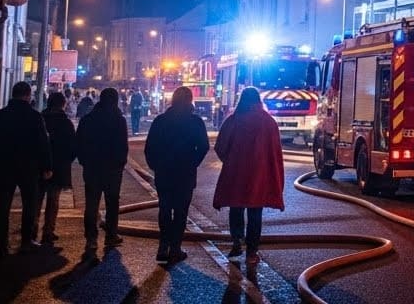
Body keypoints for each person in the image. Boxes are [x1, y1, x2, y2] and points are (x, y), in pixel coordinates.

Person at [212, 87, 284, 264]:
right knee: (255, 211)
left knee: (236, 207)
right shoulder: (269, 122)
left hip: (236, 172)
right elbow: (275, 152)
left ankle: (237, 241)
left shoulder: (233, 120)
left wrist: (230, 161)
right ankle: (252, 252)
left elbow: (220, 146)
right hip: (259, 175)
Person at [0, 82, 53, 260]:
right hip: (29, 167)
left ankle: (2, 245)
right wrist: (46, 166)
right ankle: (26, 242)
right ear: (28, 95)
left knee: (3, 205)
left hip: (5, 165)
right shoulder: (34, 116)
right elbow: (43, 144)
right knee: (29, 204)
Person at [143, 86, 210, 264]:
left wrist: (155, 165)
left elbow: (150, 147)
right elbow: (203, 146)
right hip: (185, 173)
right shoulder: (195, 122)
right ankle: (175, 248)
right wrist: (192, 163)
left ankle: (163, 246)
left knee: (164, 209)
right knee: (181, 212)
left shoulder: (161, 120)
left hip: (164, 172)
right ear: (190, 100)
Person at [76, 87, 129, 251]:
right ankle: (111, 236)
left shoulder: (88, 119)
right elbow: (123, 145)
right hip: (113, 168)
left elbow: (79, 143)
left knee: (92, 204)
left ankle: (91, 239)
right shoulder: (119, 120)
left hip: (92, 167)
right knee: (112, 203)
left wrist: (84, 161)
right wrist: (120, 163)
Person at [38, 91, 78, 245]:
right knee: (53, 201)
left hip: (38, 166)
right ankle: (48, 231)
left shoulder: (40, 119)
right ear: (63, 104)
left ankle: (31, 230)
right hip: (59, 166)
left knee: (36, 199)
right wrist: (67, 160)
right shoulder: (65, 123)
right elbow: (73, 146)